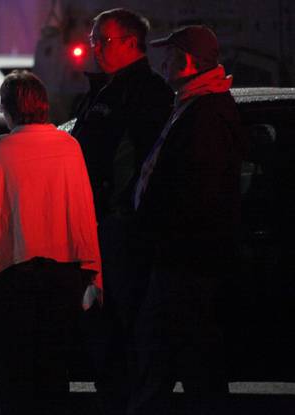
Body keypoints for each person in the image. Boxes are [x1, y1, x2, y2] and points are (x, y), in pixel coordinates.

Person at [0, 70, 102, 415]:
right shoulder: (67, 147)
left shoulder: (1, 151)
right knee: (54, 372)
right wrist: (91, 271)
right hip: (63, 277)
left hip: (14, 280)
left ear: (10, 109)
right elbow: (81, 212)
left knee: (15, 376)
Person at [130, 25, 248, 415]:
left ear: (186, 61)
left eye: (168, 54)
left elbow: (197, 195)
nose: (161, 62)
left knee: (171, 356)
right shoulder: (194, 104)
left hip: (185, 263)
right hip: (184, 260)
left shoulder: (205, 114)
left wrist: (160, 237)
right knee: (189, 361)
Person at [68, 8, 174, 415]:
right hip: (98, 227)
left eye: (103, 40)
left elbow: (145, 166)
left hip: (122, 234)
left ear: (132, 42)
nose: (94, 47)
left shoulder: (147, 94)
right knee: (100, 326)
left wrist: (120, 214)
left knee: (124, 326)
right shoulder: (105, 90)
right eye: (94, 39)